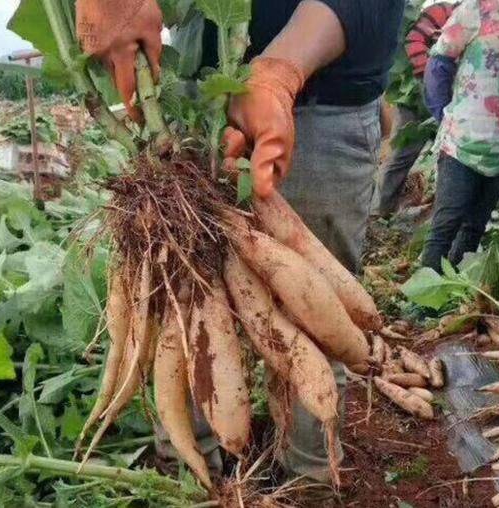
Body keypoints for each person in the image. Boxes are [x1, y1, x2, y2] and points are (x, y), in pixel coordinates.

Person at [76, 0, 405, 484]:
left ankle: (310, 477)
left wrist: (276, 73)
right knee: (180, 317)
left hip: (321, 101)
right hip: (200, 102)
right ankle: (193, 472)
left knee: (309, 320)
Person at [421, 0, 499, 272]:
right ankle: (422, 305)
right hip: (464, 141)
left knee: (475, 225)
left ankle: (455, 293)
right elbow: (439, 62)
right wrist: (444, 114)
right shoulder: (477, 9)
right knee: (447, 223)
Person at [377, 1, 458, 218]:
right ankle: (382, 210)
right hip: (418, 97)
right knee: (402, 155)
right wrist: (430, 80)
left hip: (452, 102)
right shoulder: (441, 11)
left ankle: (437, 213)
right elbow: (414, 40)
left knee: (449, 159)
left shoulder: (484, 21)